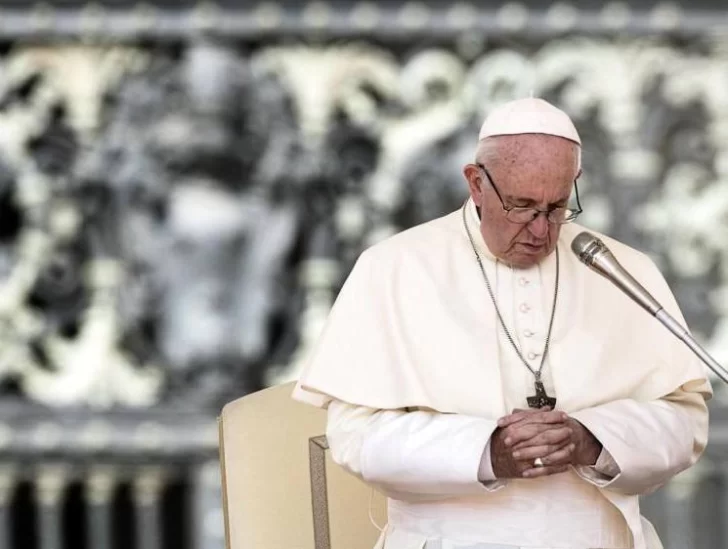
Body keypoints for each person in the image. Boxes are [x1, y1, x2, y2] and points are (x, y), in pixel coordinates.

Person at [292, 97, 711, 549]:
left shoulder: (621, 269)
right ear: (476, 183)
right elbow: (355, 436)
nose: (540, 230)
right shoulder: (393, 267)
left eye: (556, 207)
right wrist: (487, 450)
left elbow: (685, 422)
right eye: (521, 206)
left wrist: (593, 439)